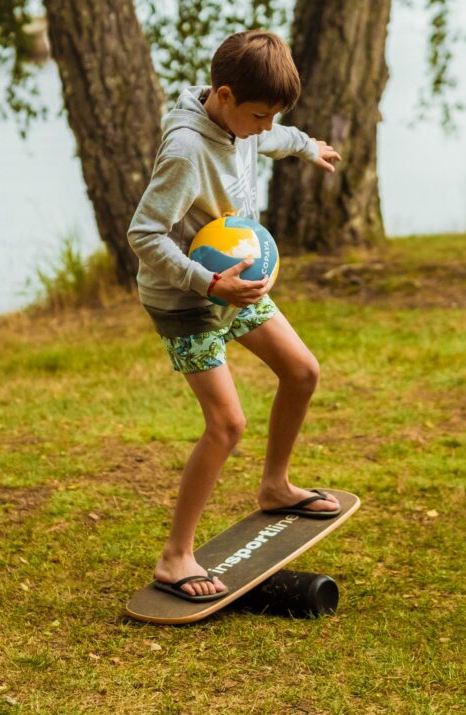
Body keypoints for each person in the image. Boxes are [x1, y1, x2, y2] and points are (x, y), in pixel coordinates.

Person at [127, 29, 342, 602]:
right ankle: (175, 558)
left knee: (302, 371)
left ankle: (275, 487)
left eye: (274, 117)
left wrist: (305, 145)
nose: (264, 127)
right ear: (223, 96)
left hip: (234, 286)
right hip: (188, 299)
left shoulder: (240, 124)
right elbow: (144, 234)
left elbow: (265, 141)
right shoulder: (186, 150)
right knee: (227, 424)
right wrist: (207, 282)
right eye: (259, 115)